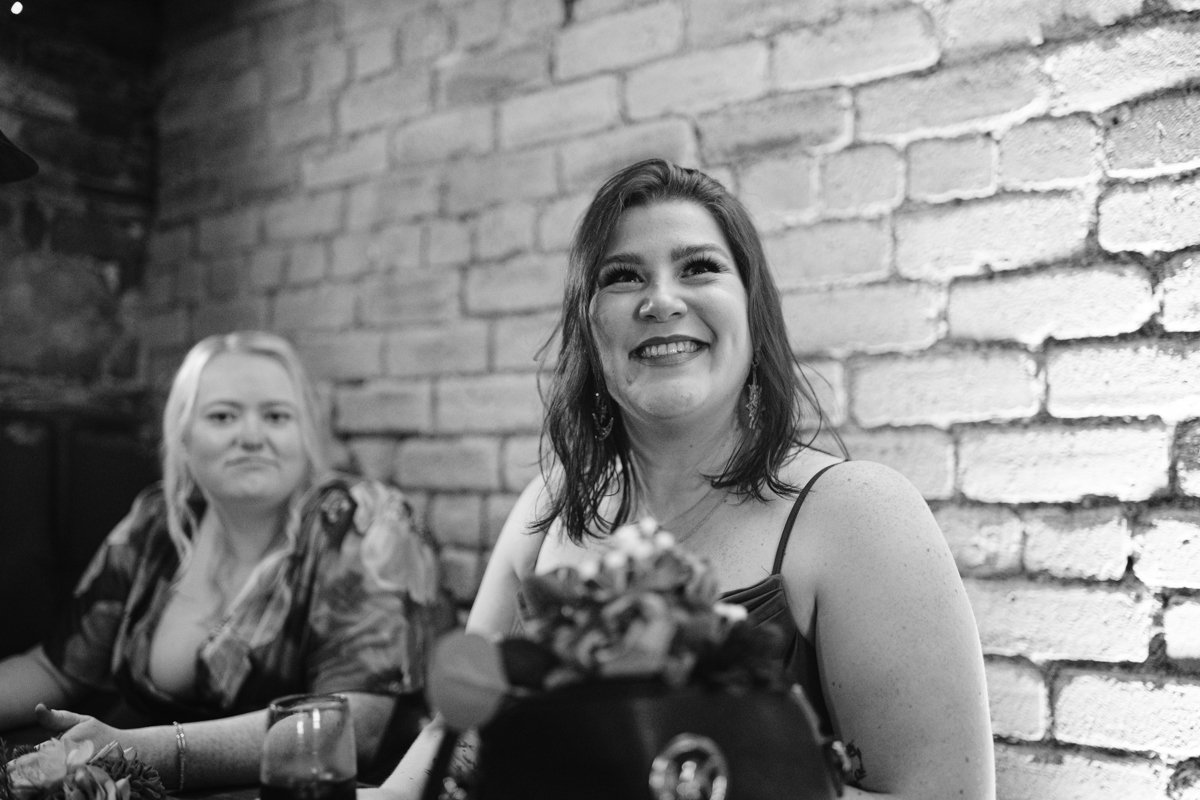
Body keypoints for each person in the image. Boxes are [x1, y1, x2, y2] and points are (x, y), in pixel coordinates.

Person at [375, 159, 995, 799]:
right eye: (623, 277)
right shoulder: (548, 509)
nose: (661, 300)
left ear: (751, 310)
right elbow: (441, 759)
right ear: (590, 327)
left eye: (699, 267)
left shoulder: (858, 512)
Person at [0, 331, 445, 788]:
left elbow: (352, 727)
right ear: (184, 436)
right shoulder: (159, 522)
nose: (251, 437)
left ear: (305, 434)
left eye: (276, 416)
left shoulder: (367, 523)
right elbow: (56, 669)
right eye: (223, 416)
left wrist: (142, 751)